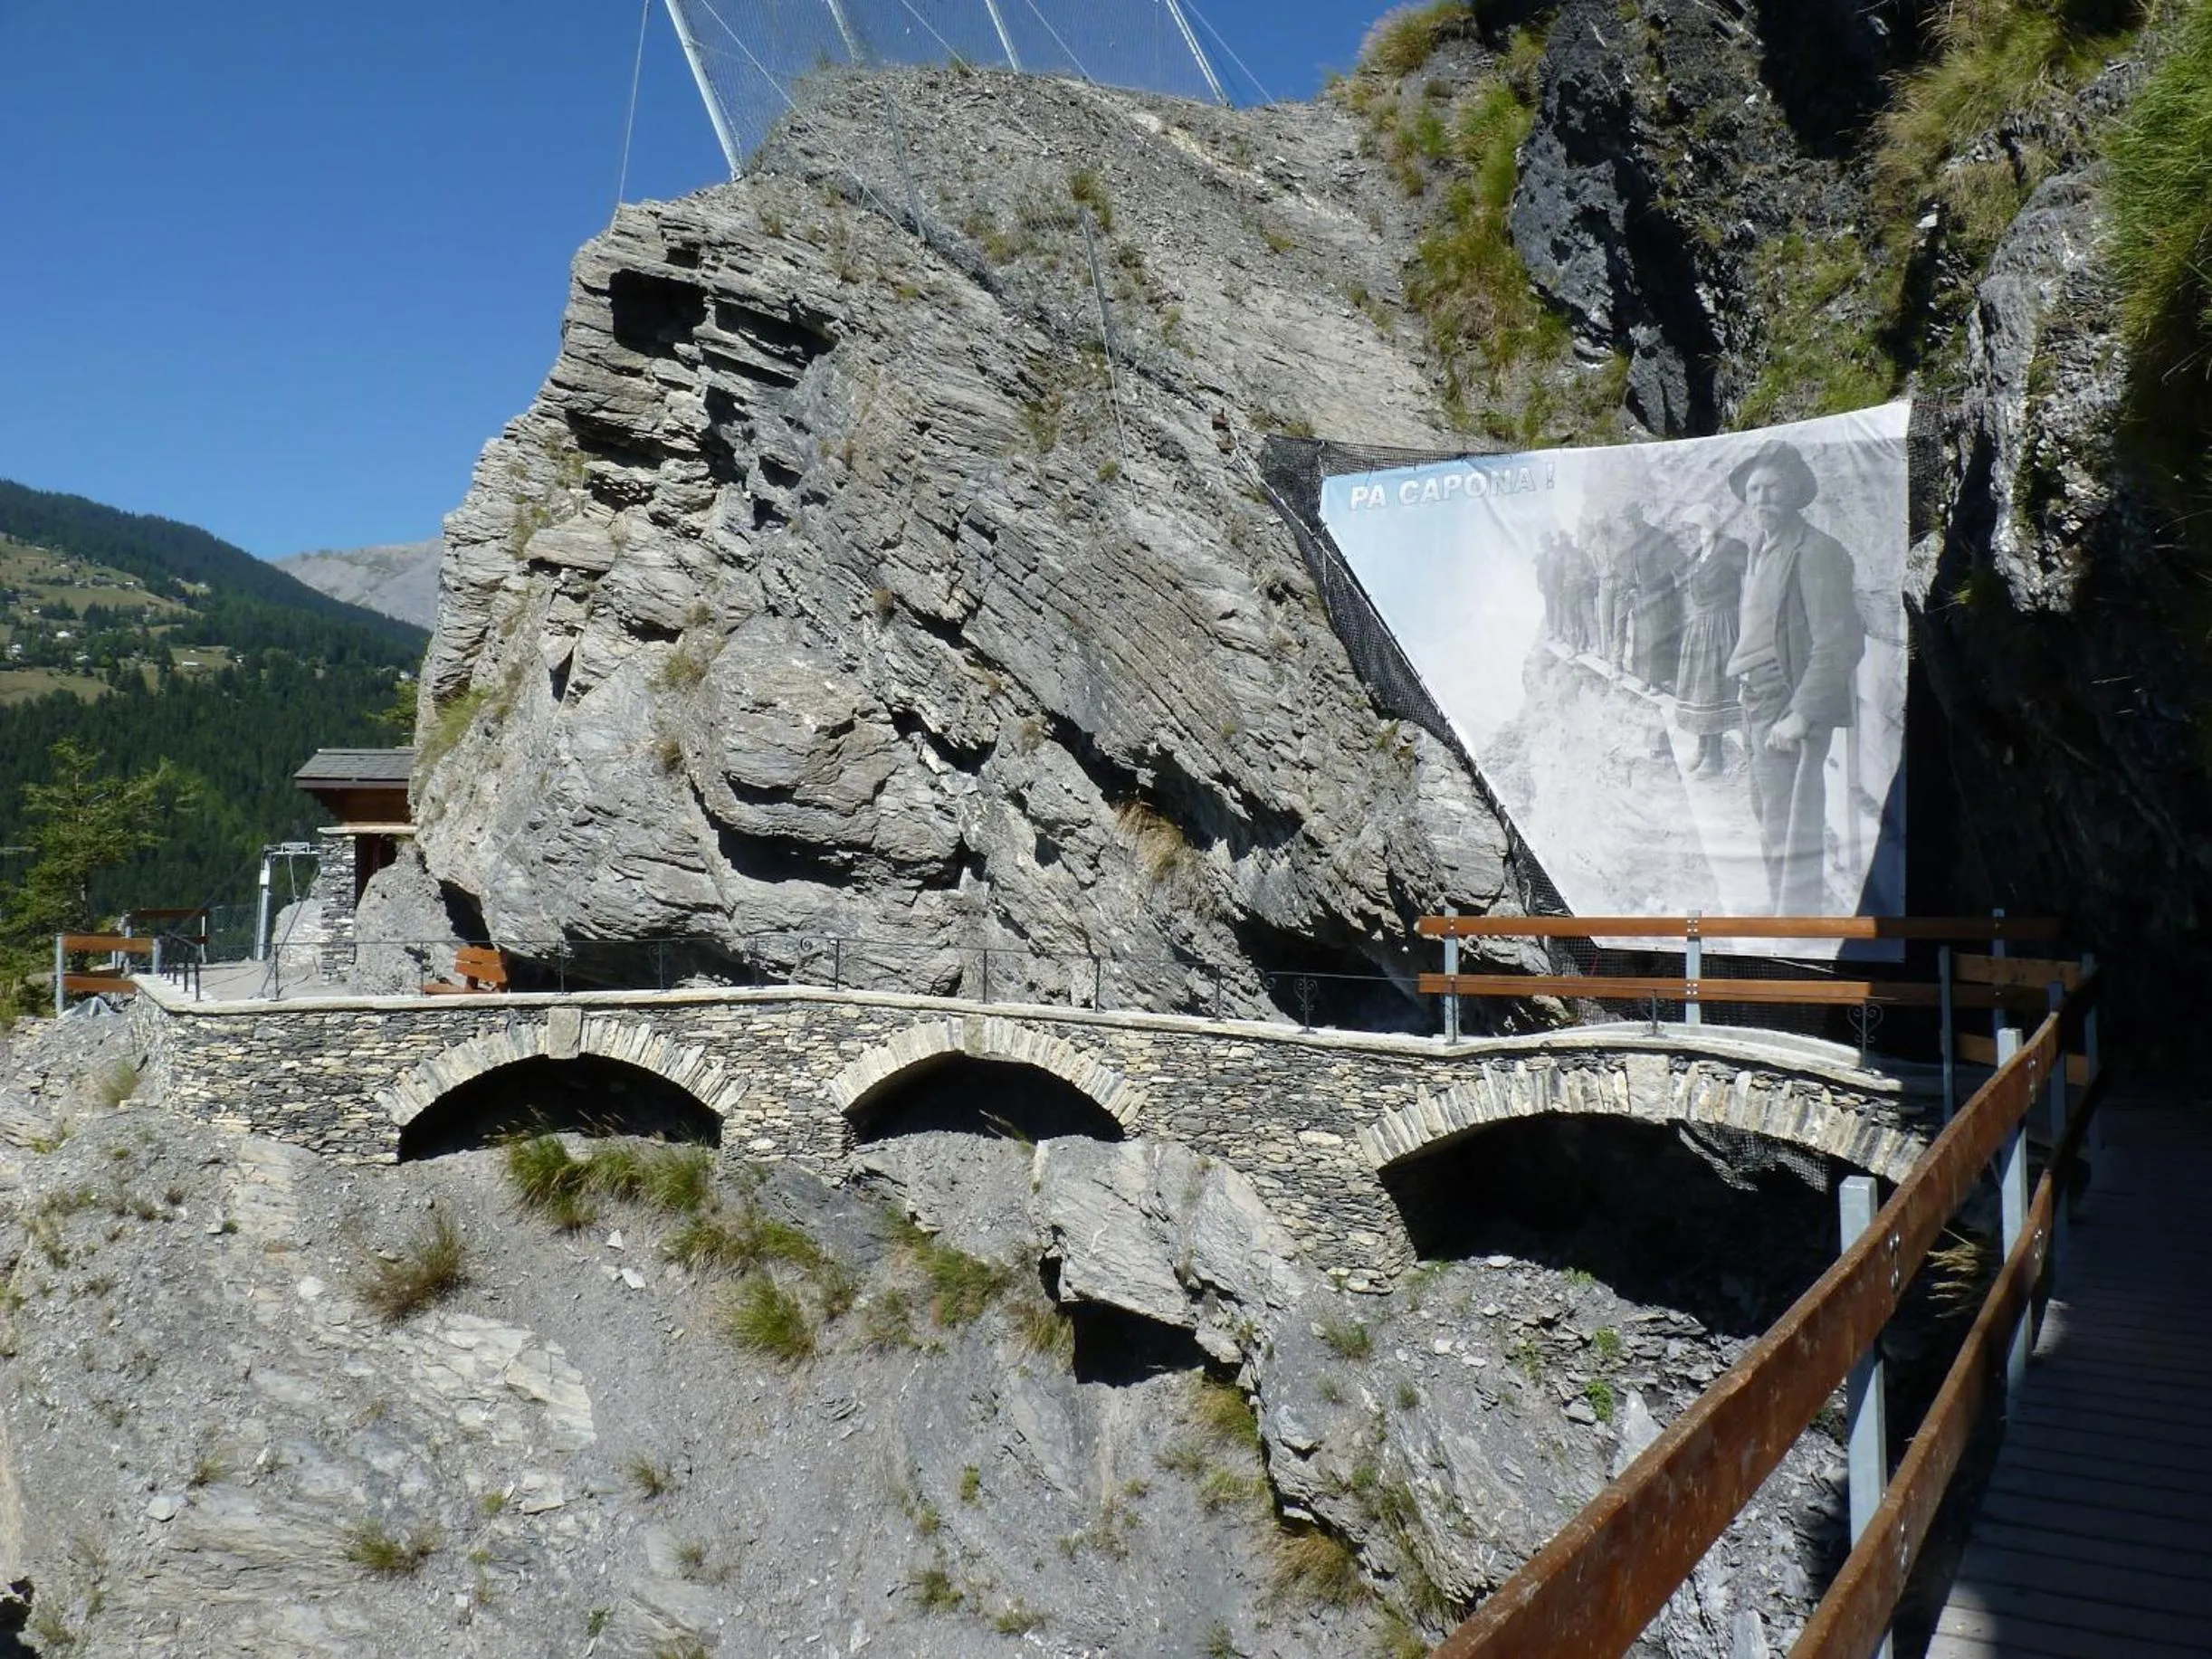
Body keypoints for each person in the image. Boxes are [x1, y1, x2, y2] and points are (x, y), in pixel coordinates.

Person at [1723, 440, 1865, 915]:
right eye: (1753, 490)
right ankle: (1782, 909)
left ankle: (1797, 921)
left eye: (1772, 488)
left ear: (1795, 492)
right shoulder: (1761, 551)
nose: (1761, 499)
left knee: (1792, 822)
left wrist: (1801, 715)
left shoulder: (1816, 552)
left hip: (1787, 700)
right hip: (1755, 698)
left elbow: (1840, 642)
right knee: (1768, 815)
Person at [1672, 503, 1748, 776]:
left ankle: (1714, 758)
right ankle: (1703, 749)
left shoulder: (1729, 548)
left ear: (1711, 525)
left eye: (1698, 527)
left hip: (1722, 624)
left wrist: (1745, 611)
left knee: (1713, 688)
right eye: (1692, 529)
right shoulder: (1699, 554)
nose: (1695, 533)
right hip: (1701, 626)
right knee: (1699, 690)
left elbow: (1752, 575)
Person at [1624, 503, 1686, 692]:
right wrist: (1633, 587)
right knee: (1643, 638)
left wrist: (1656, 586)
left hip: (1661, 596)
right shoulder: (1634, 539)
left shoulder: (1656, 537)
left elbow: (1677, 563)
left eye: (1631, 517)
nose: (1629, 522)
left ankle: (1658, 681)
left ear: (1639, 515)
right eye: (1626, 519)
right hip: (1644, 596)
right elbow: (1633, 570)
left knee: (1656, 638)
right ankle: (1646, 678)